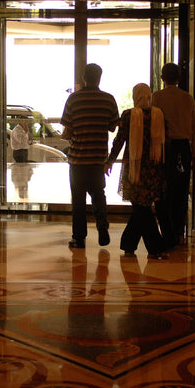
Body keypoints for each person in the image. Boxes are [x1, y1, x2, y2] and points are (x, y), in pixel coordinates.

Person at [105, 83, 168, 259]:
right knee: (143, 207)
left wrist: (110, 160)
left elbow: (119, 140)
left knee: (141, 209)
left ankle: (153, 247)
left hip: (135, 169)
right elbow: (165, 141)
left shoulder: (129, 115)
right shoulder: (158, 115)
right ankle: (130, 244)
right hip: (153, 170)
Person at [60, 63, 119, 249]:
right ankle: (102, 227)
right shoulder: (108, 100)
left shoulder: (73, 100)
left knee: (78, 200)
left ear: (84, 77)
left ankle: (79, 238)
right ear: (99, 77)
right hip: (97, 159)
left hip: (78, 159)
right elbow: (112, 126)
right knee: (98, 195)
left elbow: (67, 131)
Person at [152, 63, 195, 249]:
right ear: (179, 78)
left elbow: (153, 126)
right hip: (183, 149)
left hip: (164, 149)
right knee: (181, 193)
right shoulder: (187, 98)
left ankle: (167, 232)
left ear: (162, 78)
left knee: (163, 191)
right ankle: (179, 232)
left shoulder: (156, 97)